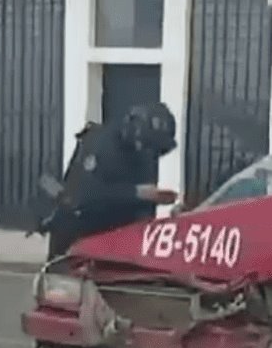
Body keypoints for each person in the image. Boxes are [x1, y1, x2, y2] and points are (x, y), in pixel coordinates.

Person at [43, 103, 179, 259]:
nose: (147, 150)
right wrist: (137, 193)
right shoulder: (102, 144)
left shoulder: (142, 156)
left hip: (114, 239)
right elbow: (84, 195)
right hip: (77, 232)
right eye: (145, 144)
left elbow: (137, 207)